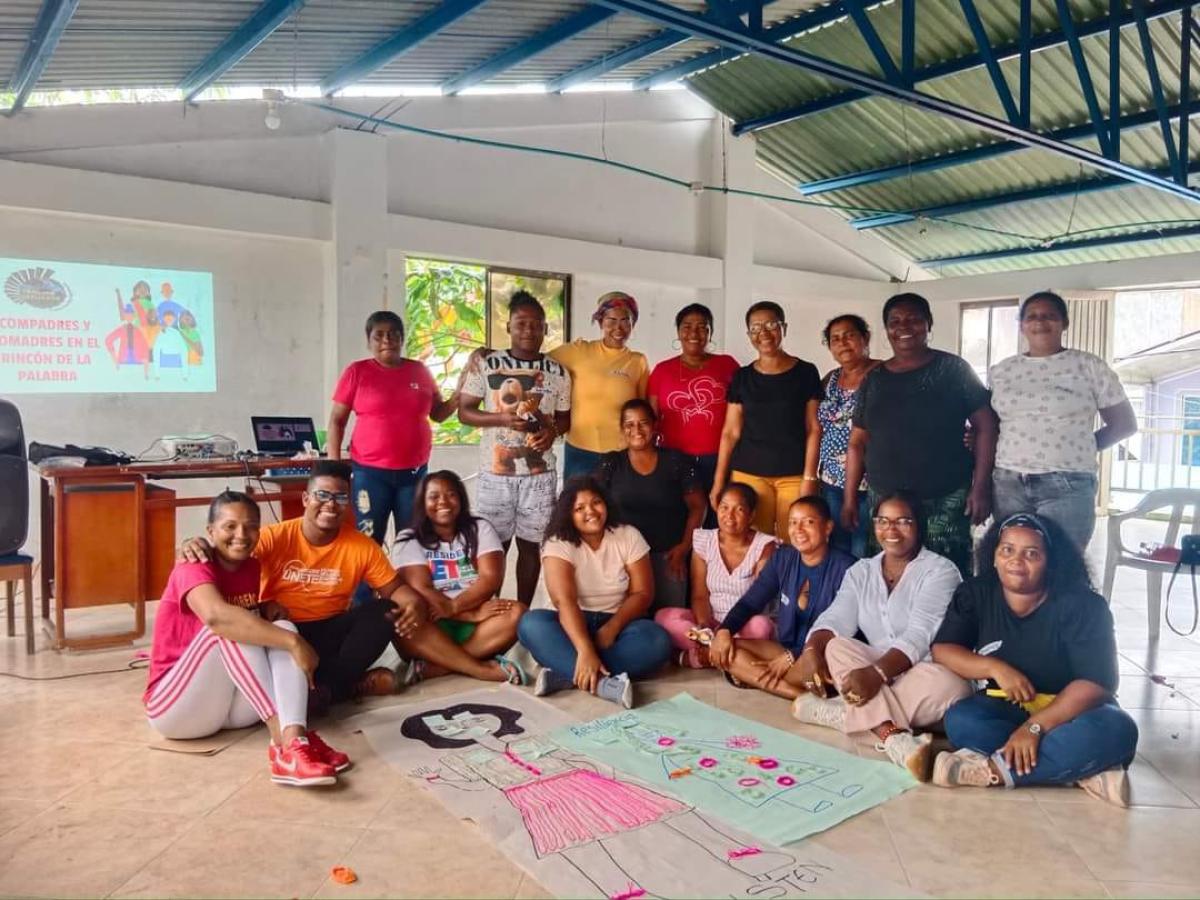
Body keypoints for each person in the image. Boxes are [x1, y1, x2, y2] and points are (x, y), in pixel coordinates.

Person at [930, 513, 1138, 804]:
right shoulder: (976, 593)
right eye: (1007, 550)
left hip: (1073, 713)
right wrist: (994, 667)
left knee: (1118, 730)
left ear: (1050, 561)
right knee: (961, 721)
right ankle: (1078, 769)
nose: (1016, 560)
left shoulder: (1084, 606)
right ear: (993, 556)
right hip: (1007, 706)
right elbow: (944, 649)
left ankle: (992, 771)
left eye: (1032, 553)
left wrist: (1035, 728)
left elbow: (1097, 683)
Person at [182, 461, 425, 709]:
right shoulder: (272, 537)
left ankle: (324, 690)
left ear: (347, 503)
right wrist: (197, 543)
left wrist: (412, 601)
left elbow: (395, 589)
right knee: (273, 633)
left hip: (330, 630)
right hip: (281, 628)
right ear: (306, 498)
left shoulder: (362, 546)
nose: (330, 504)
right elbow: (230, 552)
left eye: (340, 497)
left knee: (383, 610)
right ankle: (341, 688)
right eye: (322, 495)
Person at [146, 491, 350, 787]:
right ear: (210, 531)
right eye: (229, 526)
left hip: (228, 711)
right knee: (231, 629)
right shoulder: (193, 563)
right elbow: (218, 618)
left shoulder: (252, 567)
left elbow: (251, 619)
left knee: (282, 626)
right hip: (174, 711)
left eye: (251, 526)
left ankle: (296, 739)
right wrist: (296, 644)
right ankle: (283, 746)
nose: (241, 535)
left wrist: (269, 613)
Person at [790, 492, 971, 780]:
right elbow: (836, 618)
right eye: (883, 521)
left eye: (903, 521)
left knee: (953, 686)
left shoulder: (940, 571)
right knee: (836, 646)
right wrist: (812, 650)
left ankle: (842, 715)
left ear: (920, 526)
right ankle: (894, 739)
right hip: (877, 670)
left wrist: (875, 675)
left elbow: (919, 635)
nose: (891, 529)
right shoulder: (861, 571)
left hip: (922, 671)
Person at [842, 293, 996, 576]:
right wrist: (850, 497)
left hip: (945, 497)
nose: (904, 327)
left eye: (914, 319)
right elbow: (857, 442)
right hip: (885, 501)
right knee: (889, 575)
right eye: (895, 321)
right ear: (886, 329)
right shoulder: (873, 380)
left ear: (929, 324)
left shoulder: (953, 370)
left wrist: (981, 486)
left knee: (947, 575)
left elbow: (986, 425)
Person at [989, 291, 1136, 549]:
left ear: (1064, 323)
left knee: (1063, 568)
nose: (1040, 322)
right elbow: (994, 424)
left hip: (1068, 483)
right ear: (1021, 325)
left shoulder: (1088, 366)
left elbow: (1124, 424)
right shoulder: (1002, 371)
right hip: (1008, 483)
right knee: (1015, 567)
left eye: (1050, 316)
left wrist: (1081, 446)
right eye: (1031, 316)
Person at [517, 476, 672, 707]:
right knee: (530, 624)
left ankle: (565, 672)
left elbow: (642, 593)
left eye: (596, 502)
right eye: (579, 508)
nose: (590, 511)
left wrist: (611, 629)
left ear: (606, 504)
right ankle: (602, 684)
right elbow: (565, 601)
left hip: (617, 622)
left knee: (657, 640)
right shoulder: (558, 542)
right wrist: (584, 647)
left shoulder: (628, 535)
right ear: (568, 514)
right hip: (569, 624)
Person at [459, 292, 571, 605]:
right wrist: (500, 418)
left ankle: (521, 612)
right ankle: (490, 611)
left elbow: (564, 420)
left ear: (546, 329)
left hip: (540, 475)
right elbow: (465, 411)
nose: (528, 330)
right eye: (521, 323)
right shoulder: (488, 363)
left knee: (531, 546)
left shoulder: (559, 372)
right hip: (495, 474)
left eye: (536, 325)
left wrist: (550, 433)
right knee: (494, 547)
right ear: (508, 326)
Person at [327, 310, 462, 547]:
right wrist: (333, 468)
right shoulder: (356, 372)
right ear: (369, 342)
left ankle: (407, 585)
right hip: (369, 474)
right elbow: (337, 421)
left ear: (402, 339)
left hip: (414, 474)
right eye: (379, 335)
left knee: (411, 541)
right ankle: (365, 586)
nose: (387, 340)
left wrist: (460, 394)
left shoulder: (419, 371)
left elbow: (438, 414)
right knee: (368, 540)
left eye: (393, 334)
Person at [707, 497, 855, 698]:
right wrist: (724, 630)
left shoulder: (847, 568)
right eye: (793, 522)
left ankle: (758, 678)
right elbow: (751, 602)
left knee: (807, 667)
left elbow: (845, 629)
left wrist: (792, 656)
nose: (798, 529)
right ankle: (800, 696)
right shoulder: (783, 558)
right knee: (728, 650)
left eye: (808, 522)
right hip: (784, 650)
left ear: (828, 527)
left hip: (821, 656)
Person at [391, 470, 528, 685]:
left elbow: (490, 578)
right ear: (422, 503)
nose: (443, 502)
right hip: (433, 622)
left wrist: (456, 607)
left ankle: (436, 667)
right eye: (434, 496)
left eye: (451, 494)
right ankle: (480, 668)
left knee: (518, 613)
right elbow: (422, 590)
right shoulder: (408, 539)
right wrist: (467, 614)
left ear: (461, 499)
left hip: (477, 622)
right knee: (401, 620)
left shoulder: (480, 528)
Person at [712, 301, 822, 539]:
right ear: (749, 334)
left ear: (784, 327)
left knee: (794, 540)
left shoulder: (806, 372)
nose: (763, 332)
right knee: (754, 542)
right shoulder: (742, 377)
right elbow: (730, 432)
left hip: (793, 474)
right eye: (755, 327)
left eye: (771, 324)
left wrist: (810, 477)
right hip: (749, 474)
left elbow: (813, 428)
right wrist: (719, 481)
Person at [596, 399, 706, 610]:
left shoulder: (676, 461)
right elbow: (596, 509)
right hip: (623, 561)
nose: (636, 429)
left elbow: (698, 507)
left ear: (655, 425)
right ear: (622, 429)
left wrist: (684, 547)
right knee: (628, 621)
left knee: (671, 622)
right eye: (629, 424)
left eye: (643, 423)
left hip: (669, 558)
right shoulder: (611, 463)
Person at [655, 482, 777, 667]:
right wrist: (705, 629)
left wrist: (726, 632)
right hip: (710, 623)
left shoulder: (765, 546)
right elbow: (699, 595)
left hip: (743, 626)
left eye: (739, 509)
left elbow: (758, 600)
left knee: (762, 627)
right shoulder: (705, 541)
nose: (729, 516)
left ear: (751, 515)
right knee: (664, 617)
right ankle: (723, 655)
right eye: (724, 507)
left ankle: (697, 658)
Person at [647, 303, 740, 522]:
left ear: (709, 333)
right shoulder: (662, 370)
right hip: (674, 459)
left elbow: (742, 413)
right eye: (687, 327)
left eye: (702, 327)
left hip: (719, 458)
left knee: (717, 519)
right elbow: (651, 417)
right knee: (677, 519)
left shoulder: (727, 365)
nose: (694, 333)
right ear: (678, 332)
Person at [550, 291, 649, 479]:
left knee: (618, 507)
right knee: (577, 506)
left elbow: (643, 410)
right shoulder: (578, 351)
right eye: (611, 320)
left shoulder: (638, 362)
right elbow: (534, 361)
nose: (618, 328)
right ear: (600, 321)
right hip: (580, 451)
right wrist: (491, 354)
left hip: (621, 453)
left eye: (625, 320)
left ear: (632, 324)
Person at [817, 314, 880, 558]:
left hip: (871, 482)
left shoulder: (883, 373)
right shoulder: (830, 379)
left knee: (863, 552)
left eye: (849, 335)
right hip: (831, 481)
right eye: (835, 339)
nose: (843, 343)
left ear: (865, 338)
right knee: (837, 549)